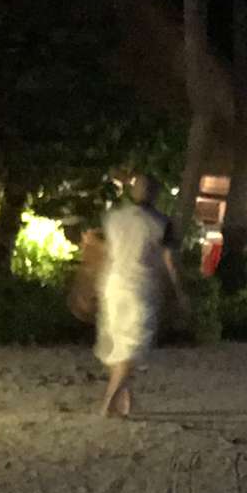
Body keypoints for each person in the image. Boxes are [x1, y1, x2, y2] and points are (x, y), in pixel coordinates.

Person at [95, 175, 187, 418]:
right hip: (141, 288)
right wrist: (179, 292)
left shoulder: (114, 218)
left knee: (119, 346)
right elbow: (170, 262)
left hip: (113, 285)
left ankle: (125, 401)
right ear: (156, 194)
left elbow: (105, 253)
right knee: (132, 347)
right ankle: (108, 403)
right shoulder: (161, 223)